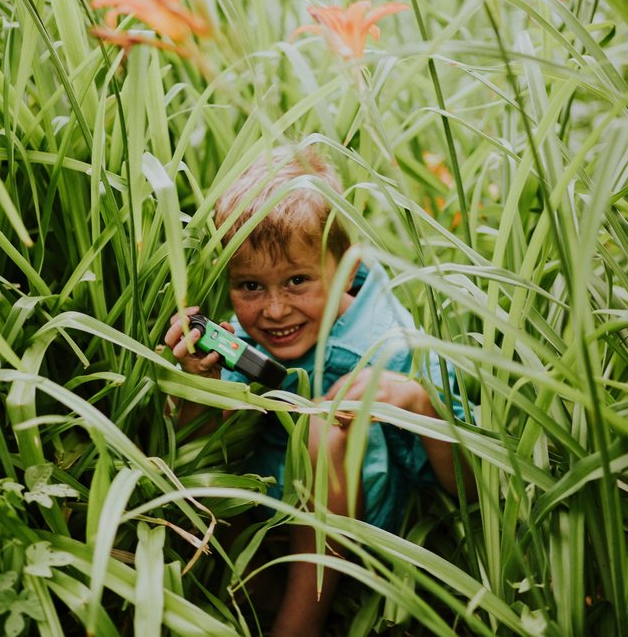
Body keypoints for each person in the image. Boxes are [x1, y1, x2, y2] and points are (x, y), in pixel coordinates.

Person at [164, 144, 474, 636]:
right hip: (266, 512)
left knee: (319, 433)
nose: (274, 311)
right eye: (250, 286)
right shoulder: (243, 337)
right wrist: (200, 384)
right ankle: (249, 592)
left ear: (348, 271)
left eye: (297, 281)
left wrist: (416, 401)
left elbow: (471, 488)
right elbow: (203, 448)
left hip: (354, 527)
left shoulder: (390, 347)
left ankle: (299, 625)